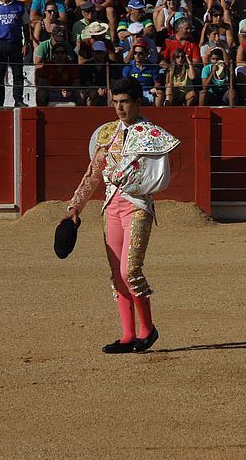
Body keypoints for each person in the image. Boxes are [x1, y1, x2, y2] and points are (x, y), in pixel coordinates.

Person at [62, 76, 180, 353]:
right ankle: (128, 335)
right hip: (110, 207)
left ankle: (147, 329)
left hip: (137, 206)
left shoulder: (151, 134)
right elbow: (92, 175)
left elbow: (158, 178)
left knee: (130, 271)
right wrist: (74, 208)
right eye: (115, 102)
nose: (119, 108)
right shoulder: (107, 134)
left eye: (125, 102)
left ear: (138, 102)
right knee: (117, 274)